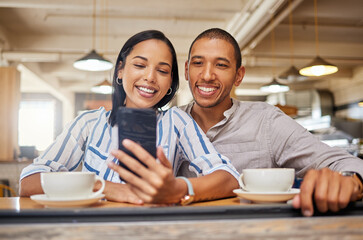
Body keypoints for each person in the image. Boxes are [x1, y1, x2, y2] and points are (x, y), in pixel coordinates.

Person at [19, 30, 239, 205]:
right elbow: (29, 182)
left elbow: (228, 177)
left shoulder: (176, 122)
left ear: (170, 82)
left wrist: (178, 188)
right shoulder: (89, 123)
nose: (150, 77)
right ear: (121, 70)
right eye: (140, 65)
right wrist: (104, 187)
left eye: (162, 71)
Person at [179, 28, 363, 216]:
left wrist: (349, 179)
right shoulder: (166, 123)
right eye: (198, 63)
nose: (207, 75)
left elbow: (340, 161)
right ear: (186, 70)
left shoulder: (266, 121)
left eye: (221, 65)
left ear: (239, 76)